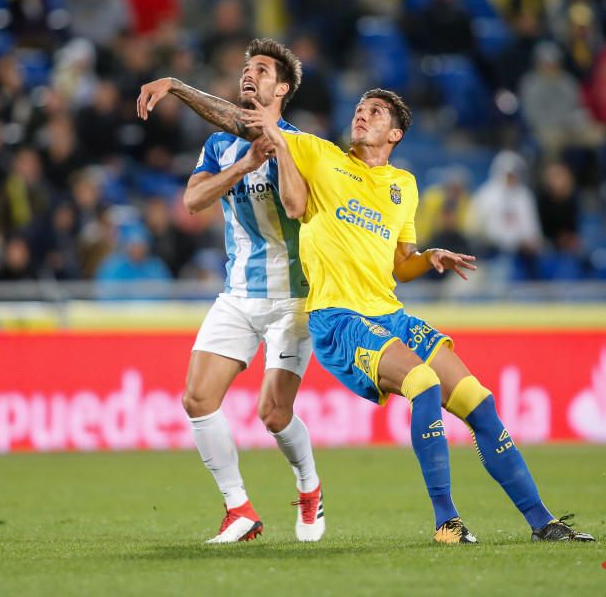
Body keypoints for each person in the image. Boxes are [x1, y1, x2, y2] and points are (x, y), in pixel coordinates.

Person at [137, 74, 596, 544]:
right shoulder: (320, 156)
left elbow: (400, 265)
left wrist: (428, 258)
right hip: (338, 317)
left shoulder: (404, 185)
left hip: (388, 312)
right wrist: (176, 86)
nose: (362, 113)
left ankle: (543, 522)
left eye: (375, 111)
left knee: (480, 402)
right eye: (359, 107)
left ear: (395, 133)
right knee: (423, 382)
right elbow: (244, 121)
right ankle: (447, 522)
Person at [138, 39, 324, 544]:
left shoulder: (303, 145)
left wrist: (275, 150)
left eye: (261, 69)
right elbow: (193, 200)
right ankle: (239, 508)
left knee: (273, 414)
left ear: (281, 87)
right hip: (239, 293)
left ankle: (309, 488)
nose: (249, 74)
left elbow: (294, 207)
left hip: (294, 299)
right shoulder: (220, 145)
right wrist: (243, 166)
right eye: (245, 68)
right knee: (197, 398)